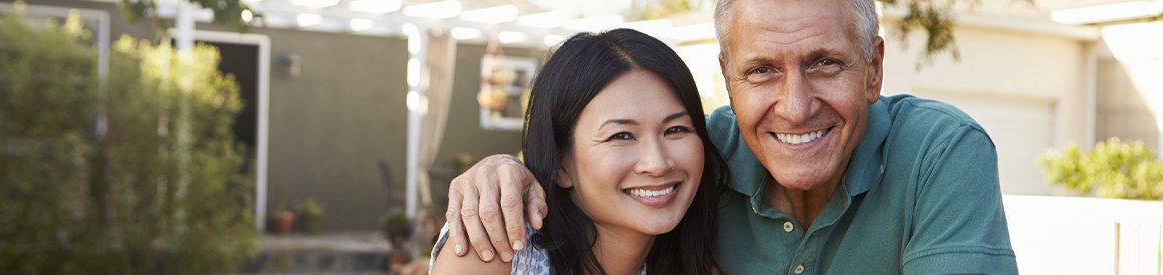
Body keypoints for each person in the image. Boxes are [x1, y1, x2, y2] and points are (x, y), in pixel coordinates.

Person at [443, 0, 1020, 274]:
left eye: (823, 63)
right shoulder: (713, 155)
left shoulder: (939, 151)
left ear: (872, 69)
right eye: (762, 70)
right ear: (728, 79)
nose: (795, 108)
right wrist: (504, 169)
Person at [429, 28, 729, 274]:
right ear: (560, 164)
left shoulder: (697, 262)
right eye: (621, 135)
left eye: (675, 129)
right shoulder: (497, 247)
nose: (657, 163)